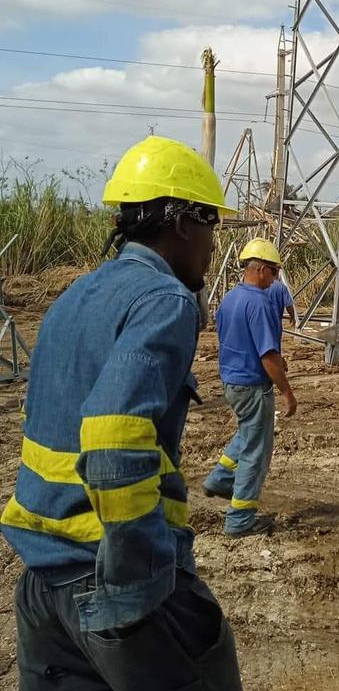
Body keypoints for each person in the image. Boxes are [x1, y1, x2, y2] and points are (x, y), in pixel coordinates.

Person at [0, 135, 243, 691]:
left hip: (43, 582)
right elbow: (114, 440)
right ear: (182, 223)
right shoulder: (166, 300)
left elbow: (43, 419)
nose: (213, 243)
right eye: (211, 225)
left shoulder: (77, 295)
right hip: (108, 578)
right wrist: (140, 581)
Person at [203, 239, 297, 536]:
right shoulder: (259, 303)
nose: (275, 280)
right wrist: (287, 392)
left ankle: (220, 478)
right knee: (257, 452)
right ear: (263, 270)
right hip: (253, 386)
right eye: (274, 273)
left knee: (248, 433)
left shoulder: (230, 299)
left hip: (231, 382)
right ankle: (240, 519)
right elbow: (267, 356)